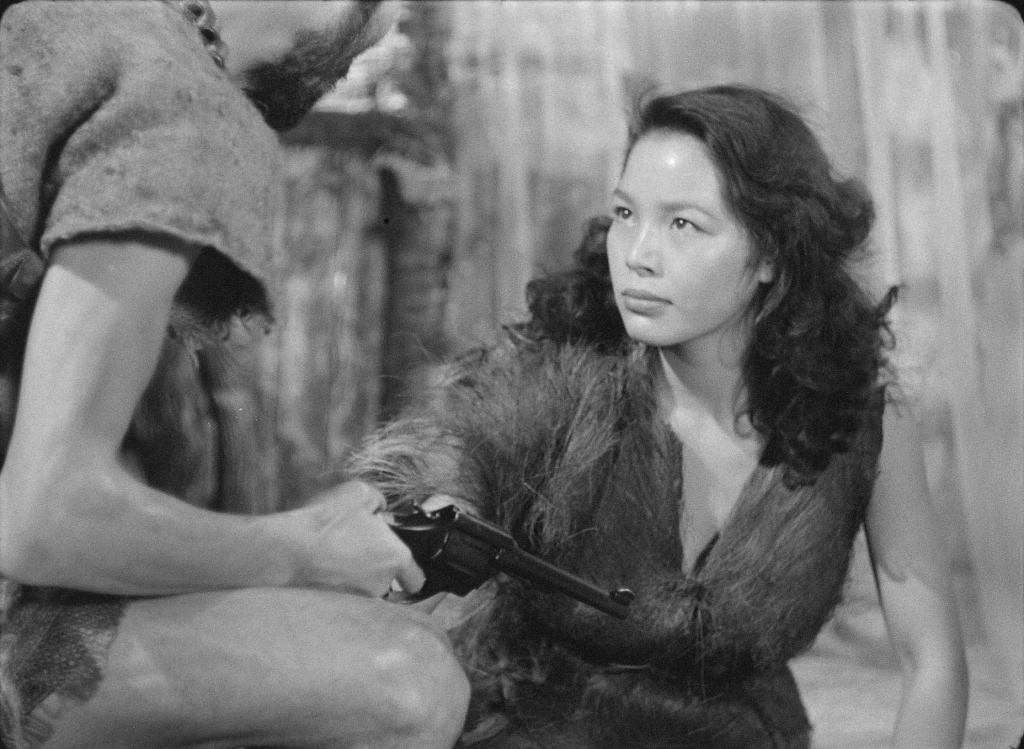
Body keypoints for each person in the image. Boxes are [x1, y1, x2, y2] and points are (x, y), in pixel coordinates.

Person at [349, 84, 969, 748]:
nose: (637, 254)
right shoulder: (556, 376)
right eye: (625, 213)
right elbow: (445, 466)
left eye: (683, 225)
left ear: (771, 252)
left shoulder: (855, 418)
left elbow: (932, 661)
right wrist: (434, 511)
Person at [0, 1, 469, 747]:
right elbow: (46, 520)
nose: (384, 27)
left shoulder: (65, 20)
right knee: (407, 675)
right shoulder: (184, 100)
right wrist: (306, 547)